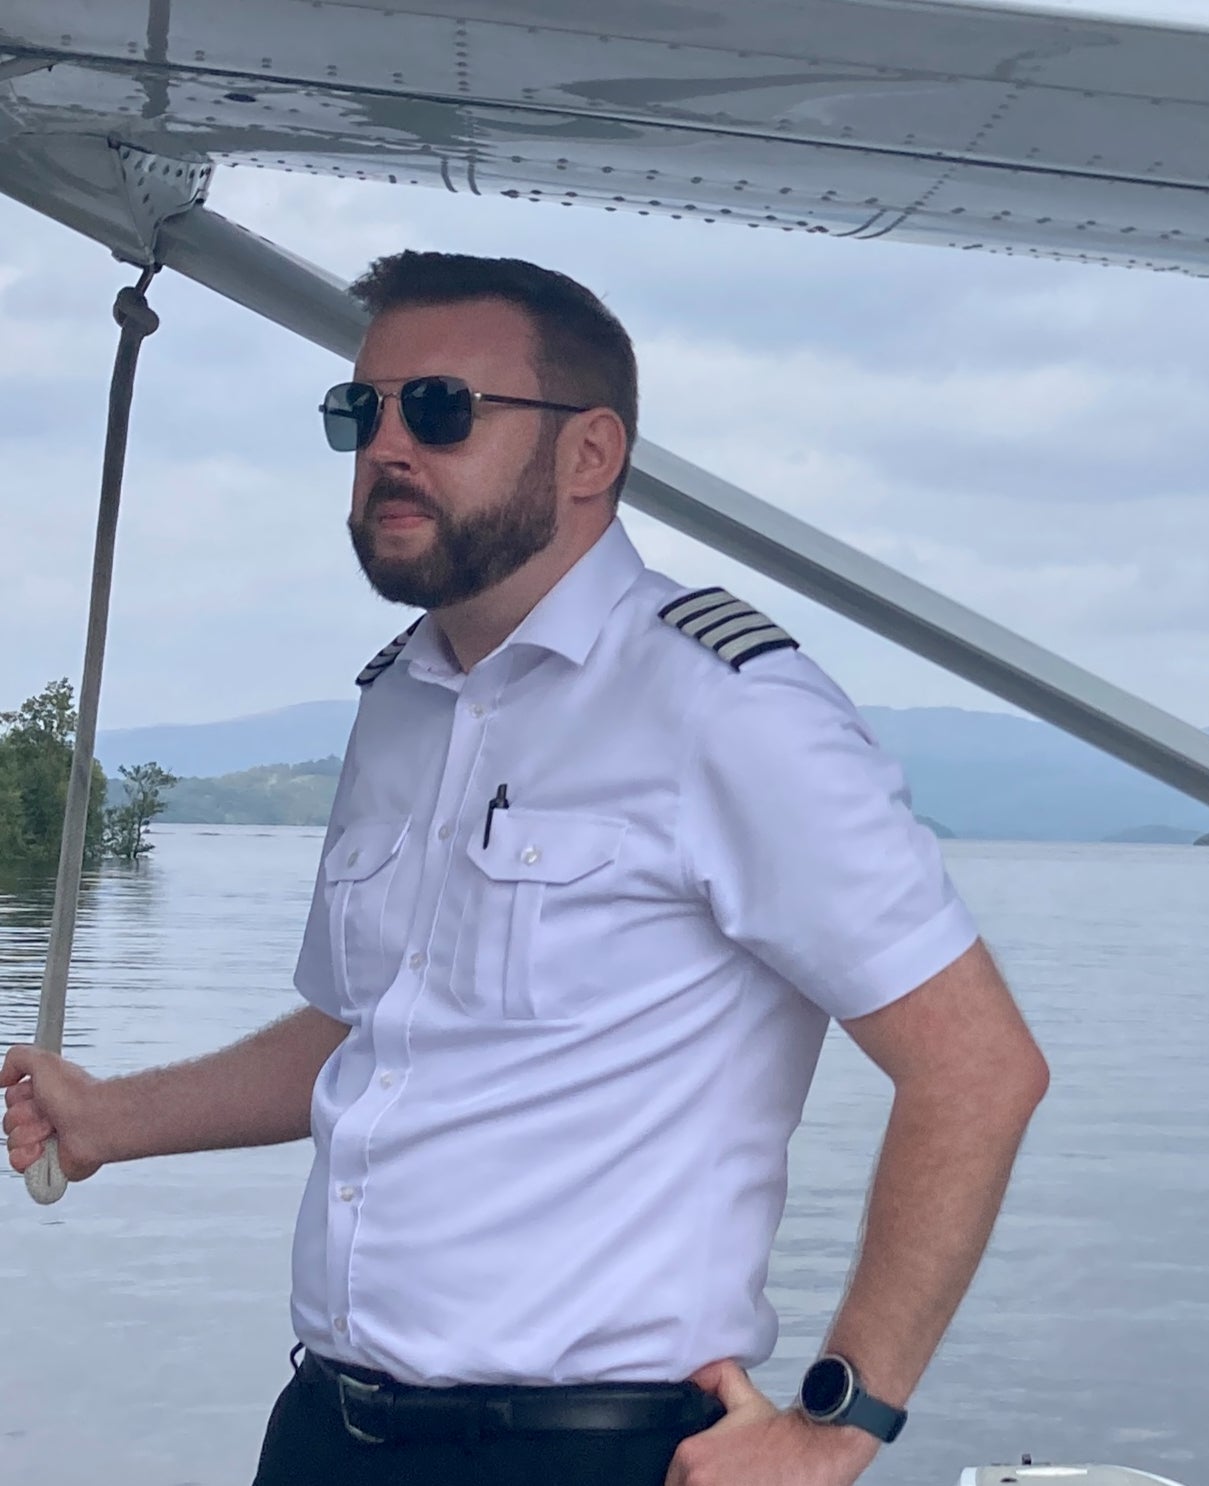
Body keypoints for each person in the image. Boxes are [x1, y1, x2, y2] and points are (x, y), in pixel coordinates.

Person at [3, 251, 1050, 1486]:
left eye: (439, 408)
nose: (388, 445)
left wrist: (837, 1423)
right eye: (362, 411)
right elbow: (370, 1029)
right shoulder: (401, 700)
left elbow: (978, 1070)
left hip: (583, 1453)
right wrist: (114, 1117)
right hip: (328, 1435)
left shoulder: (728, 708)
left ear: (590, 454)